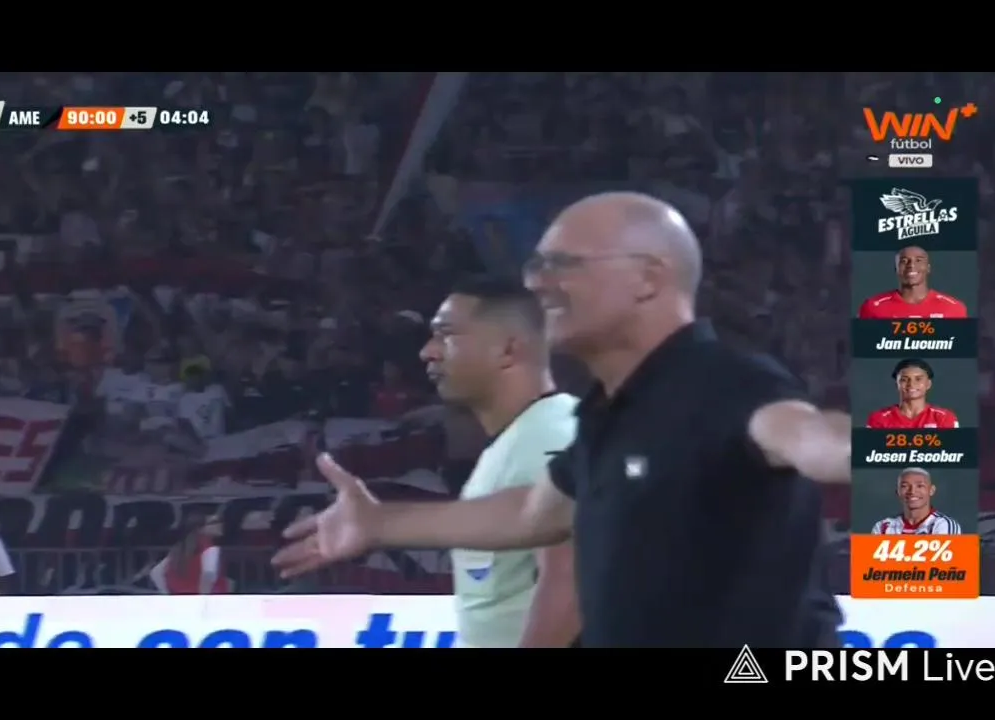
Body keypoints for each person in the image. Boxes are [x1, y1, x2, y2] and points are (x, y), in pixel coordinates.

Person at [275, 192, 850, 648]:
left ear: (649, 278)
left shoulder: (726, 384)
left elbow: (811, 437)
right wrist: (380, 524)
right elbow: (534, 511)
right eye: (536, 264)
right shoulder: (608, 412)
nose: (536, 282)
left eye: (562, 265)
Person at [419, 275, 581, 648]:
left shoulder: (551, 437)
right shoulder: (520, 439)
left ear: (508, 350)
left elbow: (571, 585)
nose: (428, 351)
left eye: (446, 334)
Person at [858, 246, 968, 319]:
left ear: (928, 268)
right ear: (896, 268)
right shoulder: (873, 307)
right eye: (904, 261)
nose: (911, 265)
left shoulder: (954, 308)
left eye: (918, 260)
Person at [865, 358, 960, 429]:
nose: (911, 384)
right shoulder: (879, 418)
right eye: (904, 379)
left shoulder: (944, 417)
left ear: (928, 384)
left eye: (918, 379)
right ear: (897, 384)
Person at [148, 514, 231, 594]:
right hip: (207, 599)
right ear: (201, 528)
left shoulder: (178, 549)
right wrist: (203, 598)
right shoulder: (210, 549)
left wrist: (167, 594)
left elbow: (155, 572)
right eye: (214, 522)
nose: (220, 525)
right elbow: (209, 575)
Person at [871, 468, 963, 535]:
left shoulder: (944, 524)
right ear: (897, 492)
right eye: (905, 486)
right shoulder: (883, 527)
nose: (912, 491)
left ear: (931, 490)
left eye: (920, 486)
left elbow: (946, 557)